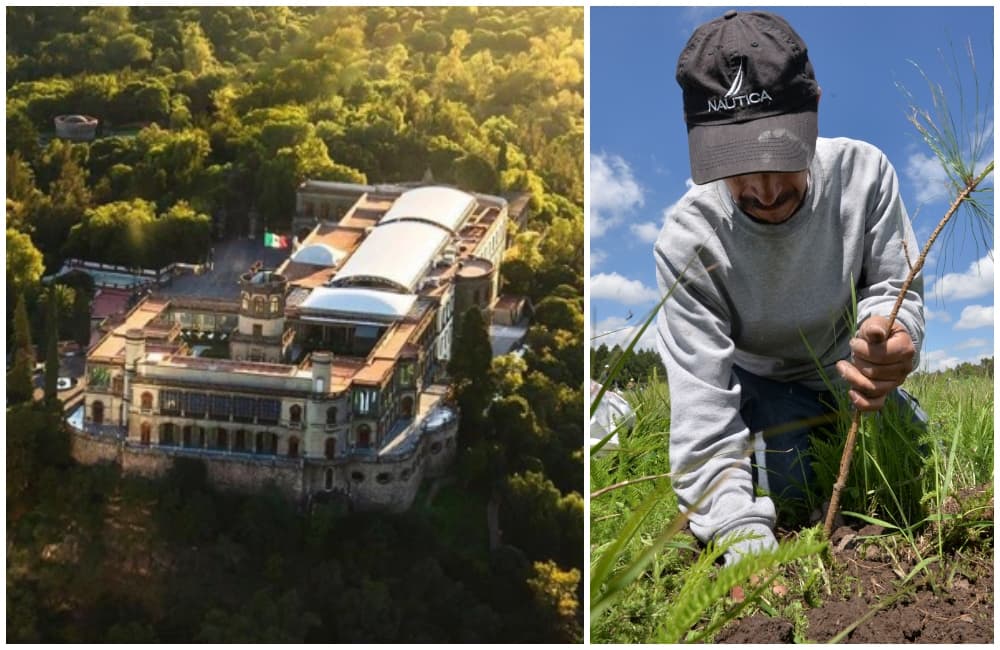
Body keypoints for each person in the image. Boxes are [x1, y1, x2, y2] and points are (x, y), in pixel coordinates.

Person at [654, 10, 926, 565]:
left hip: (847, 374)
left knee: (918, 456)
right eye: (735, 163)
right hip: (760, 383)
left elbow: (893, 287)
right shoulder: (687, 241)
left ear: (813, 112)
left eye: (779, 150)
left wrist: (894, 333)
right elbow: (702, 411)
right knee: (792, 484)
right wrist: (741, 540)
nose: (764, 190)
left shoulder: (865, 175)